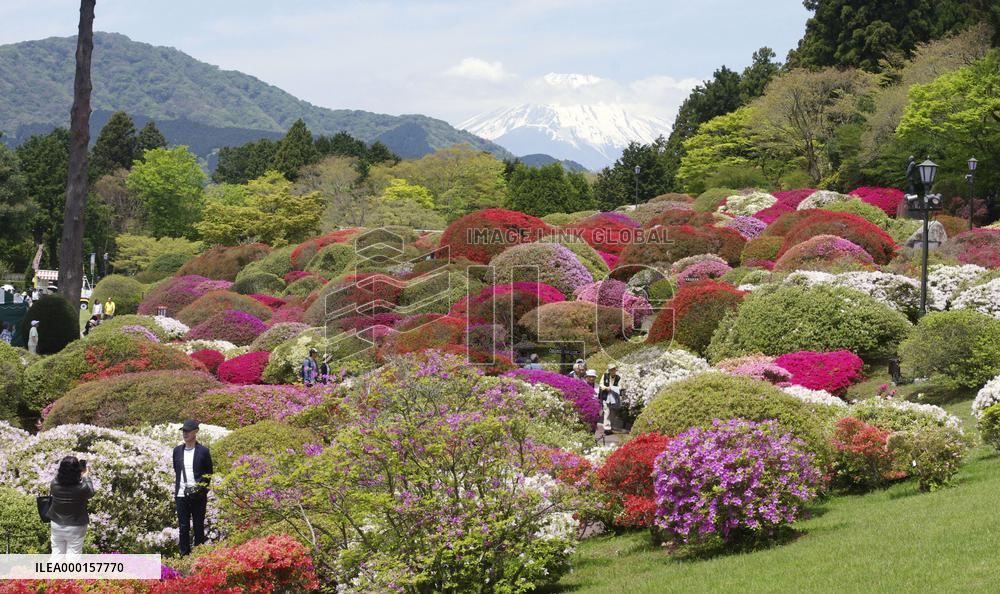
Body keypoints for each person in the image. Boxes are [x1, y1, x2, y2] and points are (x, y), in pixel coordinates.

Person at [173, 420, 213, 556]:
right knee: (183, 527)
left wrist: (200, 490)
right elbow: (176, 470)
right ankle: (184, 556)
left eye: (188, 431)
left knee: (198, 527)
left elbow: (208, 474)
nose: (185, 433)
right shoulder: (177, 451)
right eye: (183, 431)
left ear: (196, 432)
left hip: (198, 496)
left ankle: (198, 556)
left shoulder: (203, 451)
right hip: (181, 494)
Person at [48, 455, 94, 557]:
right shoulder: (82, 488)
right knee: (73, 556)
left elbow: (63, 479)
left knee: (56, 554)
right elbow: (91, 493)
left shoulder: (54, 484)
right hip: (76, 526)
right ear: (77, 471)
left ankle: (52, 573)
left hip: (56, 524)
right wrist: (85, 476)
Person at [599, 363, 623, 434]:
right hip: (606, 396)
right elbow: (601, 384)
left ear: (615, 370)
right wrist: (606, 388)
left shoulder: (618, 377)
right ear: (609, 370)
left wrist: (613, 388)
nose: (612, 371)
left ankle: (610, 427)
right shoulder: (605, 376)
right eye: (611, 370)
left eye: (614, 369)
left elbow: (620, 387)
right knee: (607, 411)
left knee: (613, 412)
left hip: (614, 397)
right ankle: (607, 428)